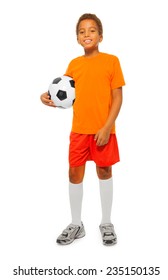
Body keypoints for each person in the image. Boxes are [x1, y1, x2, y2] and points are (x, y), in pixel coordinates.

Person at [40, 13, 125, 246]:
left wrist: (107, 127)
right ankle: (76, 224)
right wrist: (47, 99)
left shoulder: (112, 61)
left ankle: (106, 222)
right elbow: (65, 97)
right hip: (79, 130)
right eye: (82, 31)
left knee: (104, 172)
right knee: (74, 174)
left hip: (104, 131)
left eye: (92, 30)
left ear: (101, 35)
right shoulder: (74, 65)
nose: (87, 34)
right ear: (77, 38)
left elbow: (118, 97)